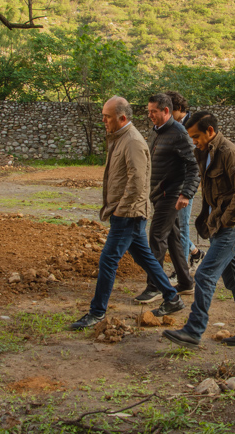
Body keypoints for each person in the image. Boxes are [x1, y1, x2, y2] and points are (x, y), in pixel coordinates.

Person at [68, 96, 185, 330]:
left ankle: (97, 312)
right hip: (126, 212)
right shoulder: (120, 137)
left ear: (122, 118)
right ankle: (172, 298)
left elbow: (137, 181)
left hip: (128, 214)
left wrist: (121, 210)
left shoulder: (132, 141)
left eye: (107, 117)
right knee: (145, 258)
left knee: (108, 260)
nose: (103, 120)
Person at [163, 111, 235, 348]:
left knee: (204, 274)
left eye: (196, 136)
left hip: (234, 225)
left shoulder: (229, 153)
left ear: (210, 131)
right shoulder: (204, 152)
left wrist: (225, 219)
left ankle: (193, 331)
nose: (193, 141)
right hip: (220, 225)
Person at [134, 93, 200, 303]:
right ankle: (186, 282)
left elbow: (194, 166)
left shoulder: (179, 133)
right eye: (149, 111)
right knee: (173, 238)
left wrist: (186, 193)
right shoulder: (157, 131)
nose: (150, 115)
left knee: (156, 238)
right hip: (158, 193)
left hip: (170, 195)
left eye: (153, 111)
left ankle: (154, 287)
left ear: (166, 111)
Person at [164, 90, 203, 270]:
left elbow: (196, 159)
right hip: (172, 183)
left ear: (179, 108)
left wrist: (188, 189)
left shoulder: (193, 126)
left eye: (170, 110)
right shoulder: (170, 126)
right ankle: (195, 253)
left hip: (186, 183)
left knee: (180, 225)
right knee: (173, 226)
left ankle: (181, 270)